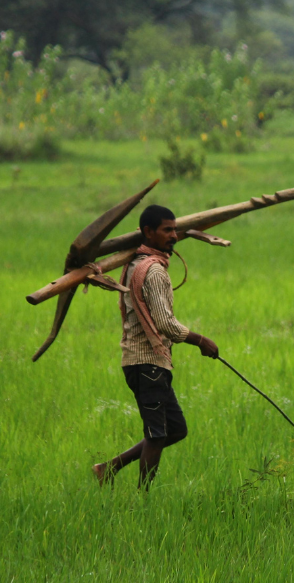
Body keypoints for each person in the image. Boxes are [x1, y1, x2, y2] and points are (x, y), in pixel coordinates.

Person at [92, 204, 219, 488]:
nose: (173, 236)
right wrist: (200, 341)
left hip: (151, 364)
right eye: (166, 230)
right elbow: (165, 323)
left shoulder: (138, 264)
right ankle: (143, 499)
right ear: (148, 232)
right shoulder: (154, 272)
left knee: (175, 429)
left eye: (175, 230)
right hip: (146, 363)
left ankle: (108, 468)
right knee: (157, 434)